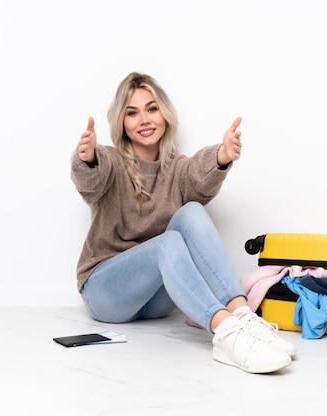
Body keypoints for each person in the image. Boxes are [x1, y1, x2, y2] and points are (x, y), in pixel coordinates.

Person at [71, 72, 296, 374]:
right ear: (121, 123)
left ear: (164, 113)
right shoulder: (109, 161)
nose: (144, 119)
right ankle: (226, 333)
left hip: (157, 302)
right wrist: (86, 159)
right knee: (167, 242)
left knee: (191, 210)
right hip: (107, 294)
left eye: (151, 108)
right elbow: (91, 180)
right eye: (132, 113)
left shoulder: (176, 169)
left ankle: (243, 316)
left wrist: (222, 155)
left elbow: (198, 178)